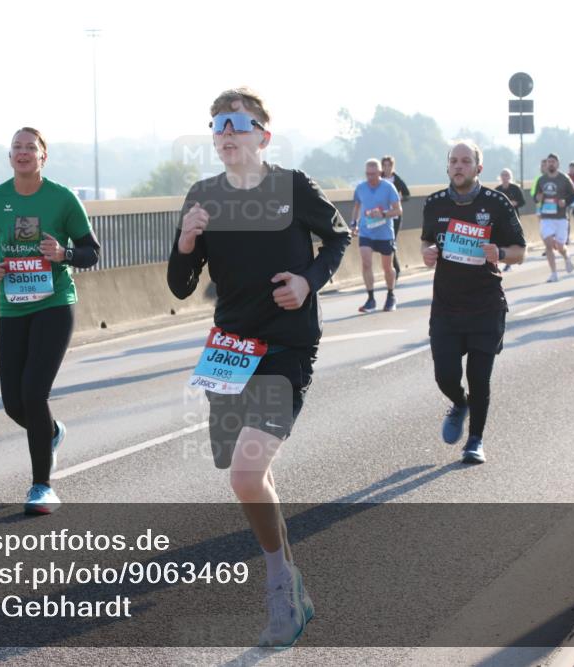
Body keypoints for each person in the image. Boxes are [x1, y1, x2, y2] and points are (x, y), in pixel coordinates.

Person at [167, 87, 350, 647]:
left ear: (263, 136)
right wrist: (186, 240)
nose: (225, 133)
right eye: (218, 125)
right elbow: (180, 285)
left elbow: (338, 237)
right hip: (228, 351)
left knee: (245, 475)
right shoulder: (203, 195)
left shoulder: (292, 186)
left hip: (286, 347)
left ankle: (277, 588)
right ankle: (292, 583)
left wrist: (307, 282)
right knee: (251, 478)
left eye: (237, 124)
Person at [0, 127, 100, 514]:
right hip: (12, 307)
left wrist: (64, 254)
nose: (23, 152)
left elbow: (91, 251)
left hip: (54, 304)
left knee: (33, 393)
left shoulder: (62, 199)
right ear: (10, 156)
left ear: (43, 156)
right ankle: (52, 432)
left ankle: (41, 487)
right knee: (13, 404)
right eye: (17, 147)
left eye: (31, 147)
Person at [421, 141, 526, 464]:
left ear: (478, 168)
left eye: (466, 161)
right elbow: (426, 241)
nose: (459, 166)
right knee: (445, 376)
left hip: (485, 306)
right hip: (446, 308)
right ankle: (459, 402)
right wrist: (427, 253)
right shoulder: (435, 203)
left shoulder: (497, 203)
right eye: (454, 160)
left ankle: (475, 440)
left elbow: (520, 251)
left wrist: (501, 253)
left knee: (479, 378)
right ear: (447, 166)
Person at [351, 159, 402, 312]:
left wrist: (383, 214)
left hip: (385, 233)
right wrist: (354, 224)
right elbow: (356, 207)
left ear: (380, 173)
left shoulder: (389, 187)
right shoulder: (360, 188)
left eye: (373, 174)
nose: (370, 177)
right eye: (367, 174)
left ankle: (391, 295)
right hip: (366, 232)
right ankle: (371, 299)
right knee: (366, 263)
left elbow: (398, 210)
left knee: (387, 267)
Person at [533, 153, 574, 282]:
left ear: (557, 164)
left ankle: (566, 257)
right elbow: (536, 197)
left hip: (560, 217)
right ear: (546, 164)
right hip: (546, 217)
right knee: (548, 245)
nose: (551, 164)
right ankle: (554, 273)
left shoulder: (564, 178)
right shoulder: (541, 180)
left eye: (553, 162)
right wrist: (538, 198)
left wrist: (565, 202)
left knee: (559, 246)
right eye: (549, 162)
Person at [380, 155, 411, 278]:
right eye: (384, 165)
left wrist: (397, 199)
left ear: (393, 166)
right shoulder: (379, 178)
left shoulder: (397, 180)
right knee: (384, 242)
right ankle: (393, 269)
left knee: (391, 241)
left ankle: (395, 269)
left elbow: (407, 194)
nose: (387, 168)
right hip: (382, 215)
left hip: (395, 216)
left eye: (389, 165)